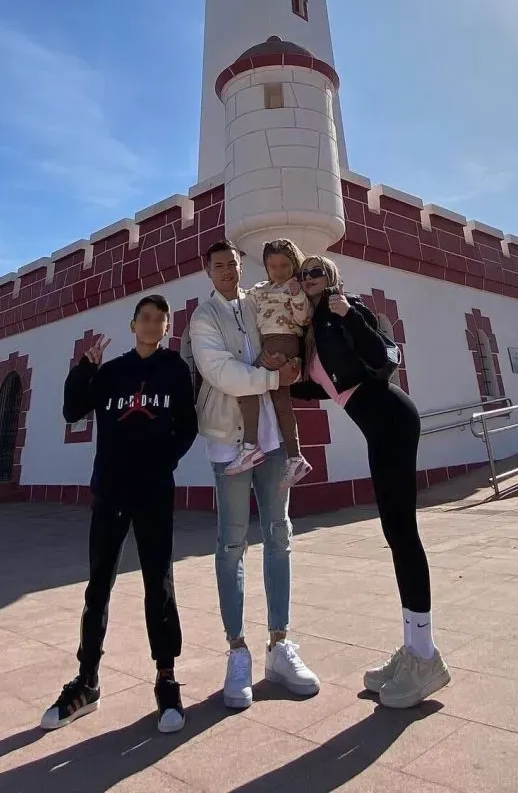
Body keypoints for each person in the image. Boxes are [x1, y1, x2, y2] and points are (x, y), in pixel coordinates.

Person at [291, 255, 450, 709]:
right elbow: (331, 385)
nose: (309, 279)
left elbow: (384, 359)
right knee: (394, 534)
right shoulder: (315, 327)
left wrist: (350, 316)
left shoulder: (347, 308)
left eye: (316, 272)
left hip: (393, 418)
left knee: (403, 533)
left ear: (333, 278)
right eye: (304, 275)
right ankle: (413, 648)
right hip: (376, 424)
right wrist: (280, 385)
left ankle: (425, 658)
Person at [40, 294, 198, 735]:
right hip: (110, 490)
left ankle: (166, 679)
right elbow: (73, 411)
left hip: (153, 491)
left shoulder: (174, 370)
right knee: (99, 585)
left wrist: (164, 460)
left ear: (167, 329)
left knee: (158, 584)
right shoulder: (110, 372)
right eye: (145, 318)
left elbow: (187, 425)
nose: (151, 325)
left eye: (159, 320)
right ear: (134, 325)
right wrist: (84, 370)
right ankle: (87, 680)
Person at [189, 239, 320, 710]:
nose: (228, 271)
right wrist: (272, 378)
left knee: (279, 534)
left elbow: (293, 324)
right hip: (229, 441)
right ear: (208, 272)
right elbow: (220, 372)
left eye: (232, 264)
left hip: (271, 436)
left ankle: (280, 643)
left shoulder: (259, 300)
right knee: (231, 543)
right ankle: (237, 650)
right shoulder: (204, 318)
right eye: (219, 266)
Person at [230, 238, 313, 488]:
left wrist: (297, 294)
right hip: (269, 343)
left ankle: (250, 446)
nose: (278, 271)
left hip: (284, 342)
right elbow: (243, 300)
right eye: (273, 265)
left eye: (284, 265)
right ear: (266, 266)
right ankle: (295, 456)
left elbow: (304, 317)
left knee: (247, 387)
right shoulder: (261, 288)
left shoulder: (293, 288)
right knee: (281, 402)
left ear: (293, 264)